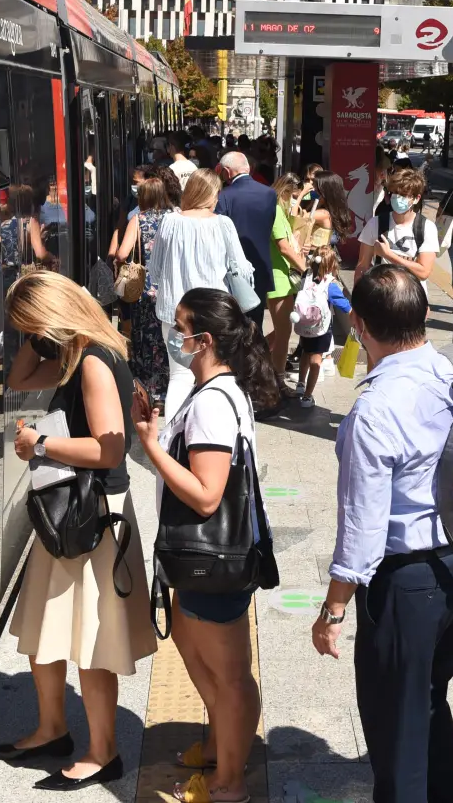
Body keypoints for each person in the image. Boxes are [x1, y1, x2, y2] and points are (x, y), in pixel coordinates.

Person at [310, 265, 453, 803]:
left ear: (360, 326)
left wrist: (333, 610)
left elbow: (362, 529)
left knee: (395, 727)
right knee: (427, 697)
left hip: (406, 583)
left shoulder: (372, 412)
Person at [0, 271, 155, 790]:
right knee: (44, 632)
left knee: (91, 640)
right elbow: (17, 379)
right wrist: (35, 332)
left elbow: (109, 448)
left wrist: (38, 444)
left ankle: (103, 750)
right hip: (69, 511)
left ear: (52, 319)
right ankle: (51, 728)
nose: (29, 338)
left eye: (30, 325)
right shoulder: (76, 356)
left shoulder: (91, 364)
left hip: (92, 517)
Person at [133, 288, 281, 803]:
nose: (175, 337)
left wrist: (152, 447)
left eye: (181, 329)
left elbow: (206, 495)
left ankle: (228, 783)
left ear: (204, 340)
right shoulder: (213, 391)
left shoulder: (214, 404)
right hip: (201, 561)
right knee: (198, 652)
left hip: (213, 561)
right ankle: (220, 746)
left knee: (232, 675)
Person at [148, 170, 256, 417]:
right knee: (216, 374)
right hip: (214, 314)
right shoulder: (223, 224)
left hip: (175, 314)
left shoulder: (170, 222)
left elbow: (154, 271)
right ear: (211, 194)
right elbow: (242, 269)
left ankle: (173, 441)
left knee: (180, 376)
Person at [117, 172, 175, 409]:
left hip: (146, 289)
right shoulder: (176, 217)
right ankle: (168, 390)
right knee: (168, 340)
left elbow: (122, 254)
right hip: (171, 287)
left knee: (145, 341)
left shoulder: (138, 220)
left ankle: (149, 392)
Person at [216, 151, 279, 331]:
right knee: (255, 323)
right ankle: (255, 358)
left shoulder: (224, 196)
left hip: (232, 270)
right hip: (260, 266)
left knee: (233, 324)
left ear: (227, 172)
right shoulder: (269, 194)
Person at [355, 166, 442, 290]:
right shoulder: (376, 223)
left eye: (404, 195)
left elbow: (424, 273)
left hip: (412, 298)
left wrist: (389, 255)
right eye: (395, 193)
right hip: (381, 294)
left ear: (416, 199)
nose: (398, 198)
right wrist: (357, 302)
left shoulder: (426, 228)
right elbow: (362, 266)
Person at [290, 247, 347, 409]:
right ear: (332, 265)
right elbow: (343, 304)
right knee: (316, 360)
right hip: (321, 329)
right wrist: (353, 314)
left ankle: (300, 384)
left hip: (304, 325)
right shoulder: (330, 284)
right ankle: (307, 397)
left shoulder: (305, 276)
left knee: (304, 354)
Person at [265, 175, 309, 381]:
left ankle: (253, 360)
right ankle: (277, 378)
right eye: (291, 196)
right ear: (283, 191)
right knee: (283, 334)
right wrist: (303, 266)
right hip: (277, 276)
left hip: (282, 275)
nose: (293, 200)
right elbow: (283, 247)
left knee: (282, 331)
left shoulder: (279, 210)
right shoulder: (274, 211)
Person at [302, 172, 356, 253]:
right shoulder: (333, 211)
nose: (312, 189)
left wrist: (302, 193)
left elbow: (297, 220)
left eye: (315, 186)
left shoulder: (323, 214)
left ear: (323, 191)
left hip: (315, 256)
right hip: (327, 254)